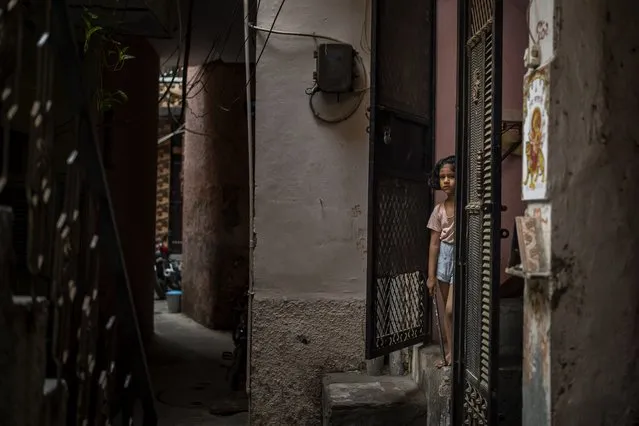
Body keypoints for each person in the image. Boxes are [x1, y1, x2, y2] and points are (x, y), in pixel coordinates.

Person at [426, 155, 456, 368]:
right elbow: (434, 244)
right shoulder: (439, 210)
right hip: (444, 260)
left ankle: (460, 352)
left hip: (462, 258)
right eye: (443, 177)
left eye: (451, 176)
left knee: (451, 309)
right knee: (446, 310)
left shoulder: (467, 206)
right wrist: (431, 276)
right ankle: (451, 351)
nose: (446, 180)